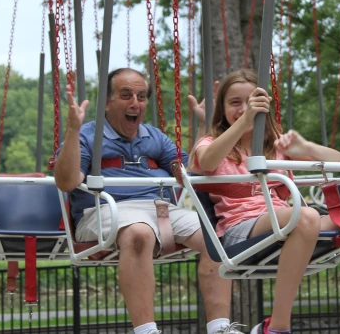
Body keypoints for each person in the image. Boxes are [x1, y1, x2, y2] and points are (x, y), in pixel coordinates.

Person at [189, 69, 340, 334]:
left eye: (252, 102)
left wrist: (306, 148)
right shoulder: (211, 143)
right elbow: (207, 161)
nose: (244, 108)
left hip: (290, 220)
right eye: (235, 103)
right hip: (241, 229)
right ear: (222, 109)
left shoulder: (275, 146)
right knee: (305, 215)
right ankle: (276, 327)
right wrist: (244, 121)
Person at [54, 68, 243, 334]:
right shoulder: (88, 136)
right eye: (126, 95)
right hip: (104, 210)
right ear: (107, 102)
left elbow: (190, 171)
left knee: (216, 234)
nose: (135, 103)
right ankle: (146, 330)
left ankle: (220, 327)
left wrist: (203, 127)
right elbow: (66, 182)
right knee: (139, 232)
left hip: (160, 210)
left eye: (141, 96)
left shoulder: (154, 137)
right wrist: (72, 132)